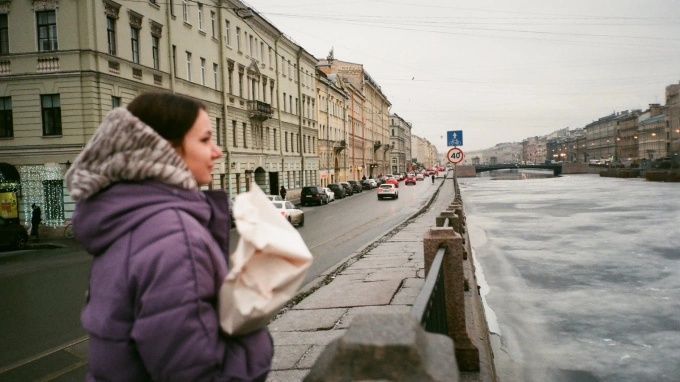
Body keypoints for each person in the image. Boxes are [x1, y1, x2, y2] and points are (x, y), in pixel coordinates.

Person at [65, 93, 273, 381]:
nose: (217, 151)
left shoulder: (130, 221)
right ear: (165, 149)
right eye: (204, 140)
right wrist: (252, 326)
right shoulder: (174, 237)